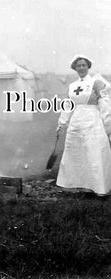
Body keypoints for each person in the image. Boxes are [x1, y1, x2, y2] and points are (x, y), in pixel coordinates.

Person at [56, 55, 111, 196]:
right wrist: (62, 123)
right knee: (74, 151)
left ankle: (98, 187)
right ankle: (74, 184)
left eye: (84, 65)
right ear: (75, 68)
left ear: (88, 67)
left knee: (93, 151)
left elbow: (104, 104)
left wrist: (108, 125)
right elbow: (68, 106)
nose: (81, 68)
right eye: (78, 65)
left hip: (92, 119)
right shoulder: (72, 86)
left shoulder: (96, 83)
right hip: (76, 121)